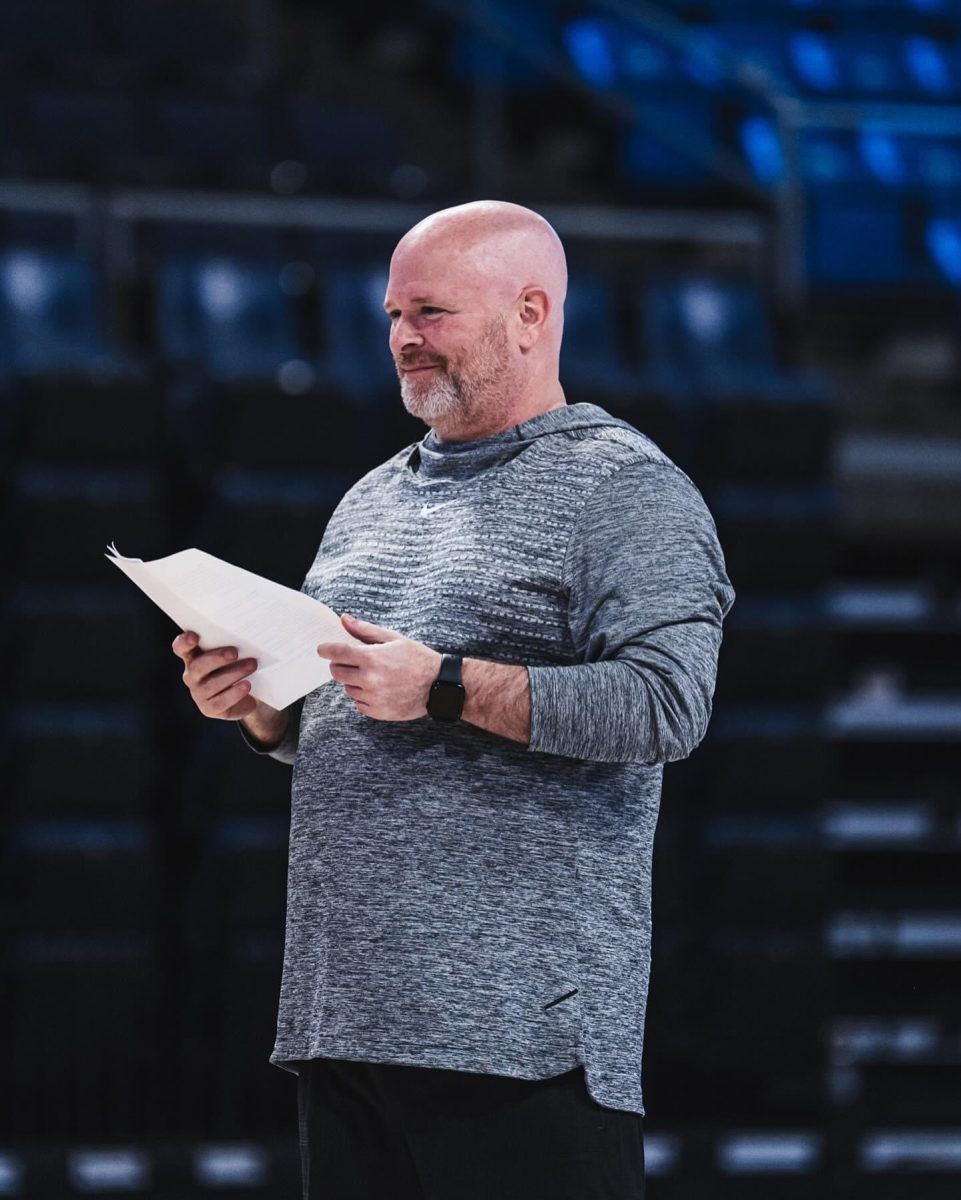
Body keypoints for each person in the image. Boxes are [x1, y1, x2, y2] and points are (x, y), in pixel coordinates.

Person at [172, 200, 736, 1200]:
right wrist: (258, 708)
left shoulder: (627, 493)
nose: (400, 339)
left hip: (523, 1043)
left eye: (430, 312)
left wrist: (441, 682)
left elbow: (667, 704)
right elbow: (343, 713)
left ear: (529, 312)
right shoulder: (372, 500)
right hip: (343, 1024)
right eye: (392, 313)